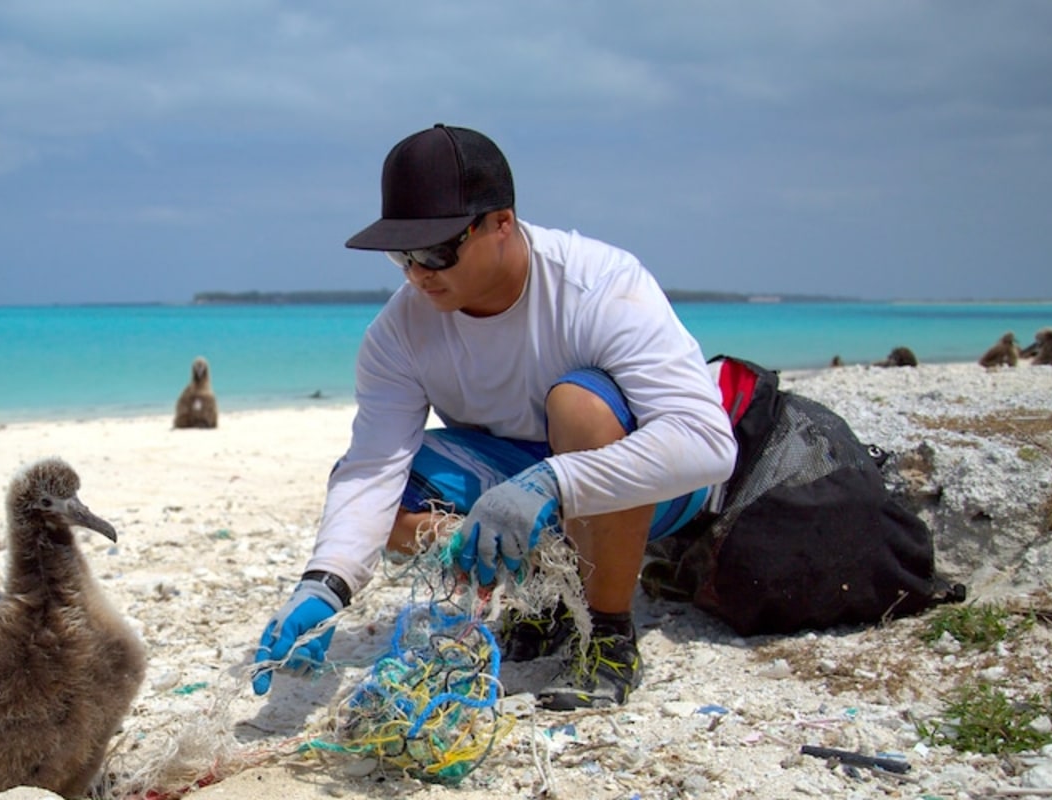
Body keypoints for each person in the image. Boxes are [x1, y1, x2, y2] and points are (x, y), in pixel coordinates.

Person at [252, 124, 736, 710]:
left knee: (579, 403)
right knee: (387, 495)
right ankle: (548, 596)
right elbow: (373, 465)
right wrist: (325, 584)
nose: (417, 274)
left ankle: (607, 632)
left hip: (642, 485)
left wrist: (552, 482)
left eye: (436, 251)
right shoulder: (399, 332)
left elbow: (709, 443)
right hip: (517, 481)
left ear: (500, 222)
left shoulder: (600, 285)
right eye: (401, 255)